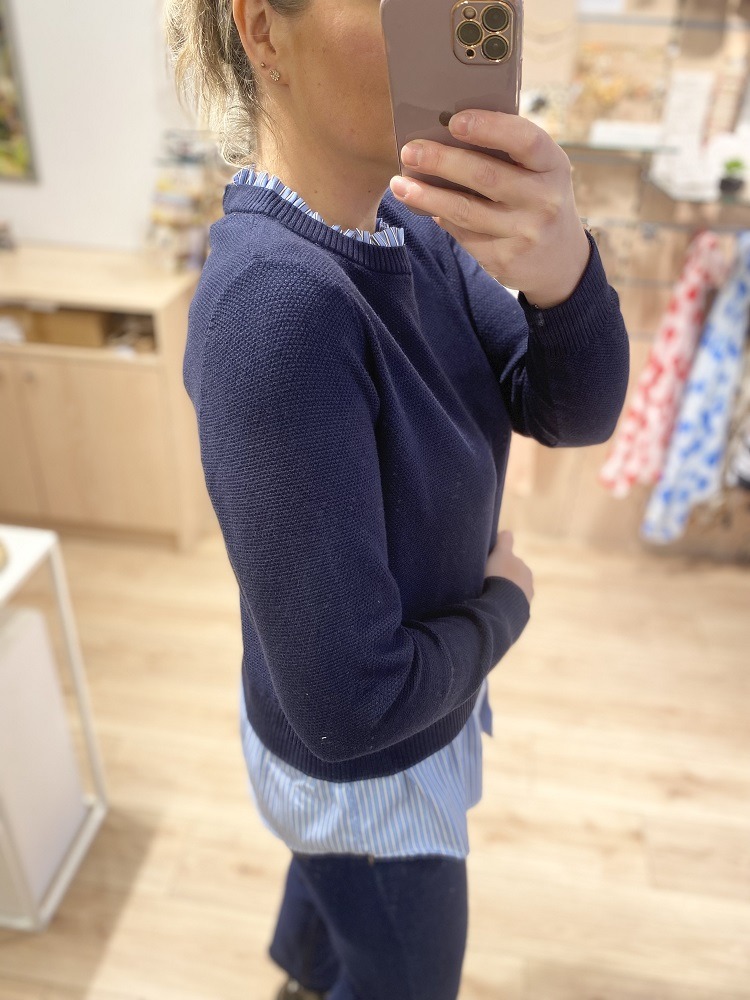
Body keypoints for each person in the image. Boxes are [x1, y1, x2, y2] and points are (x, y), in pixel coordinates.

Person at [164, 1, 631, 997]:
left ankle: (305, 971)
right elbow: (353, 706)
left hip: (390, 699)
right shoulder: (278, 306)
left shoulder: (409, 227)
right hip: (372, 764)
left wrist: (565, 276)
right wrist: (504, 605)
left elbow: (569, 407)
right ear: (263, 30)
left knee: (340, 896)